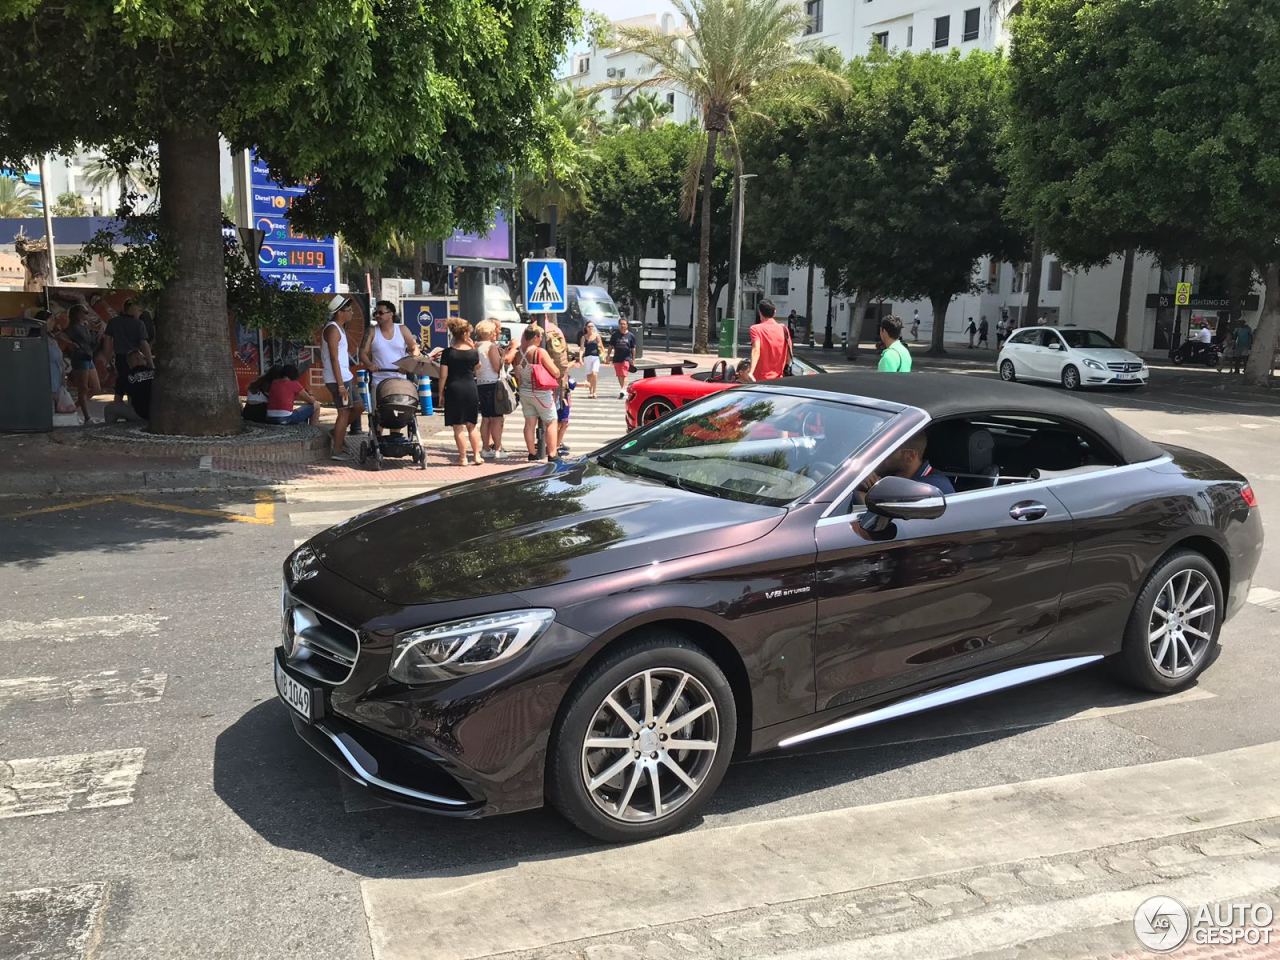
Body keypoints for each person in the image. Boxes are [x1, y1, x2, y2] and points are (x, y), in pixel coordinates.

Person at [321, 296, 361, 461]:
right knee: (343, 413)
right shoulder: (332, 329)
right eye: (349, 310)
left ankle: (337, 432)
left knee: (359, 407)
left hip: (346, 376)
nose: (352, 313)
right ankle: (337, 450)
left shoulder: (340, 328)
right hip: (338, 379)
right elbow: (333, 358)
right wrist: (340, 385)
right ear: (340, 312)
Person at [439, 317, 482, 465]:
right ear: (465, 333)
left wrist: (440, 393)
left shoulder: (447, 353)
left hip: (453, 388)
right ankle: (477, 456)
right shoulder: (473, 352)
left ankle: (463, 458)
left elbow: (443, 375)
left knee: (458, 427)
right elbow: (477, 367)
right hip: (470, 388)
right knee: (472, 425)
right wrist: (473, 347)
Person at [518, 325, 561, 462]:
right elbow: (555, 372)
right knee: (551, 421)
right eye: (540, 336)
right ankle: (553, 454)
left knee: (529, 423)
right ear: (535, 337)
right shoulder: (539, 352)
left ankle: (531, 453)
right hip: (540, 391)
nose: (541, 338)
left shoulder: (519, 352)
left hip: (524, 391)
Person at [58, 305, 100, 424]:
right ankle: (87, 417)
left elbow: (92, 342)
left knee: (96, 388)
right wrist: (71, 343)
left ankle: (73, 407)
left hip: (88, 357)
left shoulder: (85, 326)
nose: (87, 314)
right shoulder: (73, 327)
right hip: (80, 358)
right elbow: (61, 334)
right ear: (78, 314)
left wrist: (96, 332)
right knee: (83, 389)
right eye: (85, 312)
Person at [104, 299, 152, 401]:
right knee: (135, 384)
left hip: (120, 357)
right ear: (132, 309)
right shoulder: (139, 324)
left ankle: (117, 407)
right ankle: (132, 408)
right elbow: (144, 344)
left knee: (121, 383)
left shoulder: (114, 322)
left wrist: (107, 360)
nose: (140, 313)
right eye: (138, 310)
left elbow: (107, 342)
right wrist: (150, 362)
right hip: (135, 359)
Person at [474, 320, 508, 460]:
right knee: (497, 418)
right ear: (489, 333)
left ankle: (485, 447)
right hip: (493, 384)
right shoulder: (491, 347)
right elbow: (496, 367)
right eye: (494, 331)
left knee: (486, 418)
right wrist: (504, 357)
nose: (496, 334)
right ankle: (498, 448)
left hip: (481, 383)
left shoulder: (476, 346)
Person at [744, 299, 790, 382]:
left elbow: (756, 350)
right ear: (774, 312)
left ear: (760, 312)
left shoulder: (755, 329)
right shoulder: (784, 329)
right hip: (779, 379)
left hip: (760, 380)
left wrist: (751, 372)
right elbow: (788, 355)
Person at [607, 318, 637, 398]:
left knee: (624, 374)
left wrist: (633, 359)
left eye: (624, 324)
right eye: (621, 324)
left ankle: (623, 390)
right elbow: (610, 346)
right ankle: (623, 390)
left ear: (627, 325)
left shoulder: (631, 336)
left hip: (626, 358)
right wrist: (608, 355)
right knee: (620, 375)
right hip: (617, 358)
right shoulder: (615, 335)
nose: (622, 325)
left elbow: (633, 348)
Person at [579, 321, 604, 399]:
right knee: (589, 375)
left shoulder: (597, 336)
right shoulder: (584, 337)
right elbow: (582, 348)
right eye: (589, 326)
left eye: (592, 326)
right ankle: (590, 391)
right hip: (587, 357)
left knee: (594, 373)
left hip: (595, 357)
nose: (590, 328)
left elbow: (601, 346)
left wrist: (603, 355)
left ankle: (594, 391)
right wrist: (580, 358)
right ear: (586, 328)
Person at [557, 376, 577, 452]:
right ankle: (557, 445)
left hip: (559, 400)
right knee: (562, 424)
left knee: (560, 424)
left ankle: (557, 443)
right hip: (562, 401)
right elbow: (572, 385)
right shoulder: (565, 375)